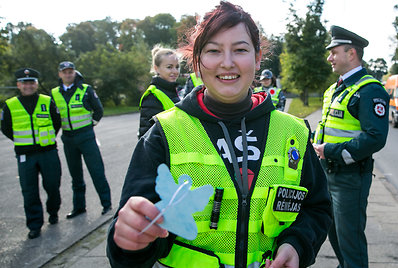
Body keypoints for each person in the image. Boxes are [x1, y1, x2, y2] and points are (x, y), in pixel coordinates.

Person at [107, 2, 332, 268]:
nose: (227, 63)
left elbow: (317, 208)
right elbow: (130, 242)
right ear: (197, 62)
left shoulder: (293, 133)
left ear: (258, 58)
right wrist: (129, 241)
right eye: (213, 51)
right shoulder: (163, 133)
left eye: (240, 50)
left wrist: (296, 245)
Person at [313, 25, 389, 268]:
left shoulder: (369, 90)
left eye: (334, 52)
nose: (329, 57)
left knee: (351, 242)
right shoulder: (335, 89)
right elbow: (329, 127)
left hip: (349, 178)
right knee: (335, 236)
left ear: (351, 53)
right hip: (328, 174)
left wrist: (331, 151)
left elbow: (375, 137)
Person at [1, 68, 62, 239]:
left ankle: (53, 211)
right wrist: (24, 141)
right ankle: (34, 225)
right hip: (25, 155)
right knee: (29, 191)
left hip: (48, 152)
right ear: (18, 85)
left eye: (31, 82)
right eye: (24, 83)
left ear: (36, 84)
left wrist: (46, 138)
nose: (28, 86)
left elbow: (56, 122)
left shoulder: (47, 101)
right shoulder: (10, 105)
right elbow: (5, 128)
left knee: (52, 186)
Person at [51, 61, 112, 219]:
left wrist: (90, 125)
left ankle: (106, 204)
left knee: (97, 171)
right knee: (75, 175)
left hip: (86, 137)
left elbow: (98, 110)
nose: (68, 74)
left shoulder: (85, 90)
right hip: (68, 139)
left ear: (74, 72)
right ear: (60, 74)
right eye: (64, 72)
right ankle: (79, 207)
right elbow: (54, 117)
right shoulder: (55, 93)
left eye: (70, 71)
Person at [138, 46, 182, 138]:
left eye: (177, 67)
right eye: (169, 67)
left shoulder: (175, 91)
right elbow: (147, 136)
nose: (175, 71)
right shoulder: (152, 96)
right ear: (156, 68)